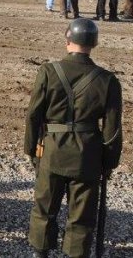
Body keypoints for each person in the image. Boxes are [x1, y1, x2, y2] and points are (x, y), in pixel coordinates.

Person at [24, 19, 123, 258]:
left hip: (52, 151)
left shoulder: (48, 72)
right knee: (81, 216)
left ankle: (40, 253)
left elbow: (34, 116)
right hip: (87, 155)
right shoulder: (108, 80)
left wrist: (31, 150)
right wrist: (108, 163)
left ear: (67, 40)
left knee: (44, 209)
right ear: (94, 43)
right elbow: (112, 129)